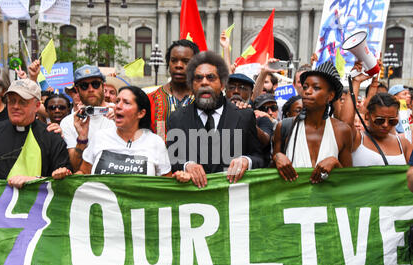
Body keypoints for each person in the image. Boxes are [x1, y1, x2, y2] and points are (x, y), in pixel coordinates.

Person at [166, 51, 264, 188]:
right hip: (193, 203)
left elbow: (260, 158)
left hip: (232, 201)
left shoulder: (244, 116)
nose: (204, 83)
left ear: (223, 84)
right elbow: (171, 160)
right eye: (198, 78)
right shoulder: (176, 119)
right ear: (191, 85)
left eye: (211, 78)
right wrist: (186, 165)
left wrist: (246, 161)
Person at [0, 79, 70, 188]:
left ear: (37, 106)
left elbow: (64, 180)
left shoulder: (52, 136)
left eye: (22, 102)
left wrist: (35, 181)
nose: (15, 106)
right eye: (11, 101)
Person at [52, 86, 171, 179]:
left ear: (141, 113)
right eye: (118, 101)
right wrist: (66, 177)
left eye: (126, 103)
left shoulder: (155, 142)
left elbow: (166, 187)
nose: (118, 106)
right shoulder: (100, 137)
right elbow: (83, 173)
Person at [272, 60, 353, 184]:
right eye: (305, 87)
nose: (307, 92)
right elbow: (270, 176)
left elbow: (350, 181)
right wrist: (277, 157)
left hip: (328, 202)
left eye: (316, 88)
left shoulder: (342, 131)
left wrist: (335, 162)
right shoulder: (284, 127)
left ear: (330, 96)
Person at [339, 69, 412, 166]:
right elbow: (345, 123)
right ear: (368, 116)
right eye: (379, 120)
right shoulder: (356, 139)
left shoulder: (403, 144)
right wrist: (356, 82)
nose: (385, 125)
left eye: (392, 121)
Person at [59, 64, 116, 172]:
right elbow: (75, 167)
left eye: (95, 84)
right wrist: (82, 139)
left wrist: (121, 120)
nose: (90, 89)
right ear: (77, 90)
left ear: (103, 87)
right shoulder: (68, 122)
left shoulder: (118, 116)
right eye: (84, 86)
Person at [147, 39, 200, 140]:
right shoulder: (151, 99)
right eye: (174, 60)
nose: (178, 65)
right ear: (168, 63)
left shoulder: (206, 100)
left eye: (185, 61)